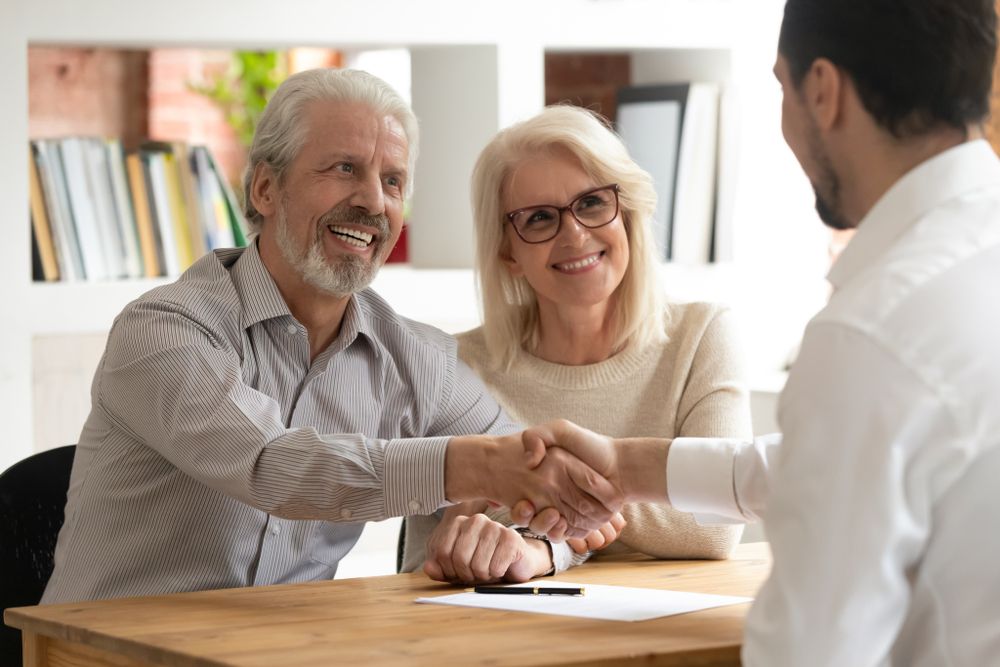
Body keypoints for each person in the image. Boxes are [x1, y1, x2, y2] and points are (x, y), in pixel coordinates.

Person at [519, 0, 1000, 664]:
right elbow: (832, 461)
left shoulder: (872, 333)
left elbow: (809, 651)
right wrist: (626, 466)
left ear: (823, 90)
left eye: (781, 87)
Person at [40, 68, 623, 604]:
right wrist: (478, 466)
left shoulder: (417, 360)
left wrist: (537, 545)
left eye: (392, 180)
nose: (373, 201)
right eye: (344, 168)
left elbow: (547, 488)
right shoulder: (163, 331)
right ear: (266, 190)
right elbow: (271, 464)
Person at [400, 105, 752, 583]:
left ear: (627, 212)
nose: (575, 235)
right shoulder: (451, 367)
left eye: (591, 203)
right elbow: (427, 558)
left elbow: (715, 524)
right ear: (508, 251)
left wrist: (547, 517)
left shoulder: (702, 336)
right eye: (540, 218)